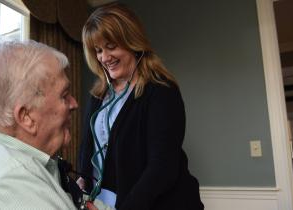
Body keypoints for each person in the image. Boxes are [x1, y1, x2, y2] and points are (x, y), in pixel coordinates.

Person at [0, 40, 106, 210]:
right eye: (64, 95)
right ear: (26, 117)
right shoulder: (9, 182)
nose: (74, 104)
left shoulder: (14, 163)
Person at [77, 3, 204, 210]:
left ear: (132, 42)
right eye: (98, 50)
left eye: (111, 47)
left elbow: (162, 168)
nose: (104, 58)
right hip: (105, 201)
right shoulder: (99, 94)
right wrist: (82, 185)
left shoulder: (161, 90)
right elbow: (87, 147)